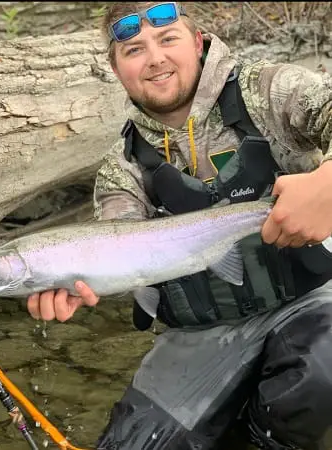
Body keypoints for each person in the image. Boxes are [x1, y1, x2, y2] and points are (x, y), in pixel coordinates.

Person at [28, 2, 332, 449]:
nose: (155, 58)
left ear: (197, 41)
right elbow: (112, 246)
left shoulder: (269, 90)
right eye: (133, 49)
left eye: (168, 39)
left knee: (319, 380)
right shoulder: (122, 170)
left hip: (310, 300)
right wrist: (71, 279)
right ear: (116, 69)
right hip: (201, 332)